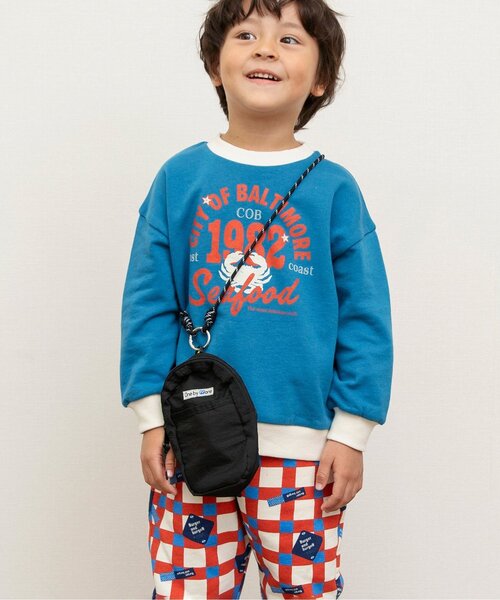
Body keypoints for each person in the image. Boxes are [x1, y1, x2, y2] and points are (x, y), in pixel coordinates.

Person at [120, 0, 393, 598]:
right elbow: (147, 305)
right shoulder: (179, 178)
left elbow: (366, 320)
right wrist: (151, 418)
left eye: (289, 39)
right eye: (246, 34)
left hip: (304, 454)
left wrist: (351, 433)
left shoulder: (335, 190)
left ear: (319, 79)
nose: (266, 48)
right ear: (214, 66)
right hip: (192, 440)